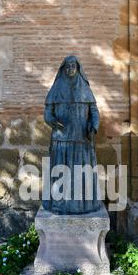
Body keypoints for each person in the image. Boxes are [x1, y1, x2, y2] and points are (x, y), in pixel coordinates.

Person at [43, 55, 103, 214]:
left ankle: (83, 205)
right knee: (61, 172)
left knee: (80, 173)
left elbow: (94, 113)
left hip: (81, 138)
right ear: (63, 69)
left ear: (78, 68)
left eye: (73, 66)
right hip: (61, 140)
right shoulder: (56, 88)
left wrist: (93, 127)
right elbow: (48, 113)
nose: (70, 69)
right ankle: (59, 205)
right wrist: (52, 121)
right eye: (67, 66)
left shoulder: (85, 89)